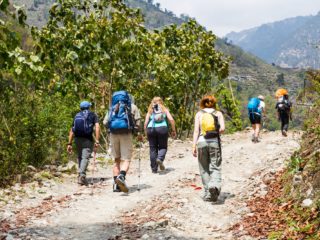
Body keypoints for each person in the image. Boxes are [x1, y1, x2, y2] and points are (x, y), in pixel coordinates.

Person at [103, 91, 141, 193]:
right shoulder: (132, 107)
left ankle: (116, 186)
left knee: (116, 160)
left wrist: (111, 129)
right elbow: (138, 123)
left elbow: (105, 122)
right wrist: (137, 132)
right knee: (126, 159)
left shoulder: (112, 108)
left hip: (113, 135)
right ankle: (122, 176)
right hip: (126, 135)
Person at [192, 95, 225, 202]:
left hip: (201, 142)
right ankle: (214, 185)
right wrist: (214, 132)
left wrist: (194, 146)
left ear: (202, 103)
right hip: (214, 142)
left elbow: (196, 131)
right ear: (214, 103)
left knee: (203, 168)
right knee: (215, 167)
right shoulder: (218, 113)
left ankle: (207, 193)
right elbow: (223, 129)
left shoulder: (199, 114)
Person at [67, 101, 100, 186]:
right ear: (89, 107)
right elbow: (97, 127)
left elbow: (72, 130)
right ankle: (82, 176)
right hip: (87, 139)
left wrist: (69, 143)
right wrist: (97, 140)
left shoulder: (77, 115)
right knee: (85, 157)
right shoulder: (93, 114)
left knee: (80, 156)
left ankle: (80, 175)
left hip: (77, 138)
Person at [144, 97, 176, 173]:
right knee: (163, 147)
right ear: (161, 102)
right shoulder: (164, 109)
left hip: (151, 129)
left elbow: (146, 122)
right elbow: (171, 119)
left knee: (152, 149)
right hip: (162, 129)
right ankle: (160, 159)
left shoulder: (150, 110)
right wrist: (173, 130)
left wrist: (146, 132)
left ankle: (154, 169)